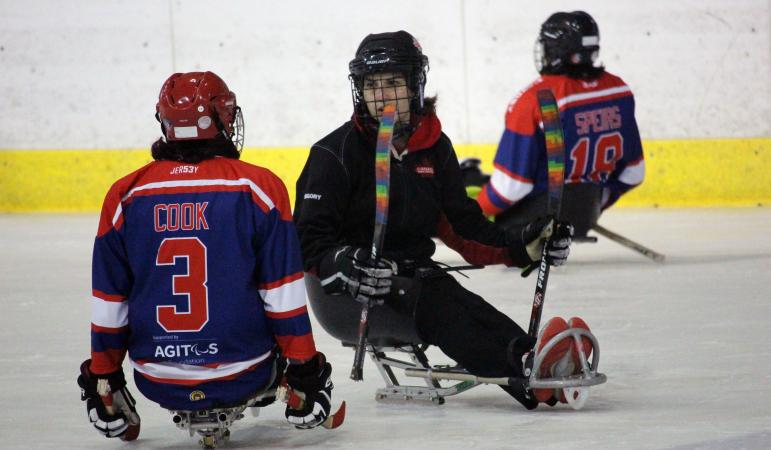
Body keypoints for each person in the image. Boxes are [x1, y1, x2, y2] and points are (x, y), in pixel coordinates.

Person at [294, 30, 592, 409]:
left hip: (415, 279)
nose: (382, 95)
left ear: (416, 85)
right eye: (372, 85)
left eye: (393, 83)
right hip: (348, 296)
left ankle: (536, 360)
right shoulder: (332, 155)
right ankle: (527, 368)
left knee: (465, 304)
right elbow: (305, 242)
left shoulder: (433, 148)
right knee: (439, 306)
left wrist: (523, 243)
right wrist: (341, 263)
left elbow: (464, 227)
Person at [77, 71, 336, 441]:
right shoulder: (259, 188)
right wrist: (305, 370)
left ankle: (111, 398)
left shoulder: (124, 195)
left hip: (156, 378)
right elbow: (282, 295)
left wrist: (103, 374)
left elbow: (109, 298)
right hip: (244, 371)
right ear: (222, 119)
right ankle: (292, 391)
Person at [476, 11, 645, 238]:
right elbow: (634, 172)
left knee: (474, 182)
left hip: (534, 226)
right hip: (586, 215)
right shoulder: (618, 89)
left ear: (556, 51)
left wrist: (471, 215)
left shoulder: (534, 100)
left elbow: (512, 186)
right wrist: (591, 205)